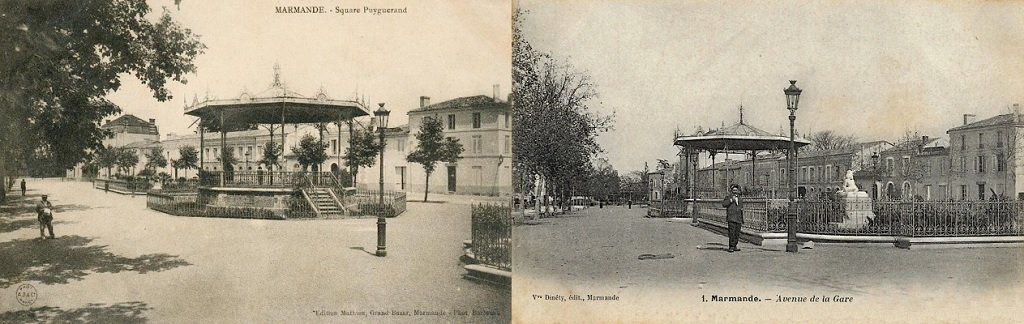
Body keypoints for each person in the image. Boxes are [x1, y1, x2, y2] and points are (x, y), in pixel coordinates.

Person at [721, 184, 744, 252]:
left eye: (736, 190)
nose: (735, 191)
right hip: (731, 218)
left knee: (737, 233)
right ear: (731, 191)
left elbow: (741, 208)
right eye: (733, 190)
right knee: (732, 233)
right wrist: (731, 200)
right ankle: (731, 246)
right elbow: (724, 204)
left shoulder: (740, 198)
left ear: (738, 191)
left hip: (738, 218)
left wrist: (742, 218)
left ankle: (735, 246)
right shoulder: (728, 197)